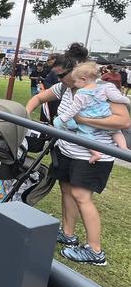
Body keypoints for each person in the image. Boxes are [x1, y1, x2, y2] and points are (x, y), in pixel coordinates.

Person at [26, 43, 130, 266]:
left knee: (82, 197)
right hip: (66, 149)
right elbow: (38, 98)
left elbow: (123, 120)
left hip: (93, 154)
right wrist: (23, 116)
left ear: (75, 71)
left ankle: (95, 251)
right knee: (66, 190)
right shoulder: (64, 88)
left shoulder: (102, 89)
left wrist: (83, 121)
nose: (58, 79)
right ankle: (68, 234)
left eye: (61, 75)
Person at [52, 61, 129, 163]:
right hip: (104, 113)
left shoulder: (81, 93)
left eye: (75, 81)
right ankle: (124, 148)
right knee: (115, 131)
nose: (74, 83)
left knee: (84, 135)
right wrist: (127, 101)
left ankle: (95, 153)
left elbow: (73, 110)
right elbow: (117, 97)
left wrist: (62, 119)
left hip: (89, 115)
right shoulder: (103, 87)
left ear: (83, 79)